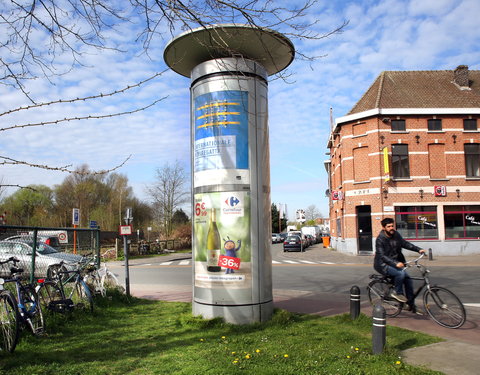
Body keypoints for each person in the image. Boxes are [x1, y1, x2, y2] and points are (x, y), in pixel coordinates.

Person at [374, 217, 427, 314]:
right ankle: (397, 293)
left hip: (396, 263)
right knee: (401, 274)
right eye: (389, 226)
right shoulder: (380, 240)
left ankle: (411, 306)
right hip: (382, 264)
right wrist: (395, 263)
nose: (391, 228)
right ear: (384, 228)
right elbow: (382, 256)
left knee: (409, 281)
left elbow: (404, 243)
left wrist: (418, 249)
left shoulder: (396, 234)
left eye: (392, 226)